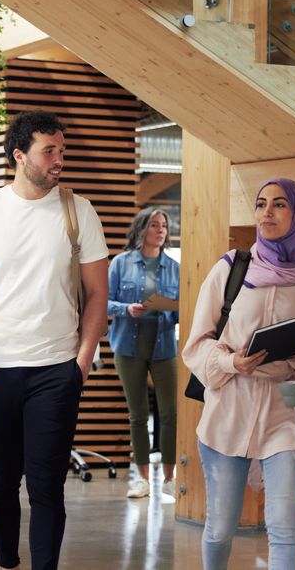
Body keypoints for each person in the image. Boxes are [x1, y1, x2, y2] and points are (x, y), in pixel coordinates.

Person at [0, 110, 109, 570]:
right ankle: (7, 561)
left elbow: (98, 293)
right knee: (0, 480)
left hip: (56, 369)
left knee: (45, 484)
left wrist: (81, 359)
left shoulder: (79, 210)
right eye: (49, 151)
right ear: (20, 155)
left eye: (62, 149)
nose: (59, 159)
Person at [182, 178, 295, 570]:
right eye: (261, 203)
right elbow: (195, 344)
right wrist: (232, 362)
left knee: (284, 529)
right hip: (228, 412)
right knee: (220, 527)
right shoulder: (230, 269)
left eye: (279, 204)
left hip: (285, 414)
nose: (267, 212)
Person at [107, 207, 180, 499]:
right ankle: (143, 480)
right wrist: (127, 309)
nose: (160, 230)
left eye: (164, 225)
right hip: (128, 346)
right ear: (141, 230)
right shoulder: (121, 264)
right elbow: (103, 302)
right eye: (154, 225)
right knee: (138, 415)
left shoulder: (175, 267)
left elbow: (181, 310)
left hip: (164, 346)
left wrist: (172, 310)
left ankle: (170, 478)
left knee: (171, 413)